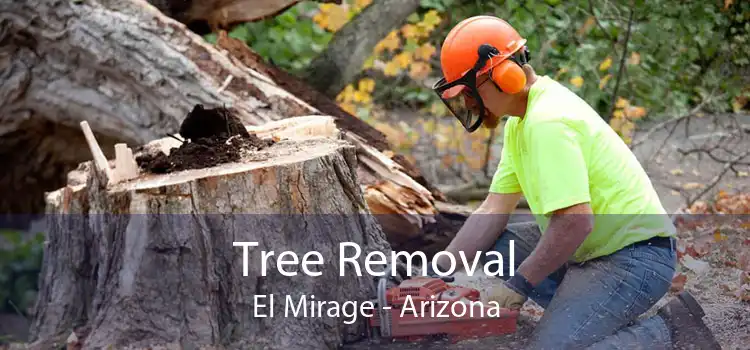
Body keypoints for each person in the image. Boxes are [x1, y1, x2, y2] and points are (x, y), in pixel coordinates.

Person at [428, 15, 722, 349]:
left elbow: (575, 222)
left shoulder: (547, 121)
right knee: (502, 246)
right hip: (595, 249)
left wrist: (518, 287)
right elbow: (494, 207)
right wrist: (437, 272)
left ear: (503, 77)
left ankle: (670, 330)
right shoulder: (520, 122)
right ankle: (582, 320)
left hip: (635, 258)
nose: (467, 103)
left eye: (470, 91)